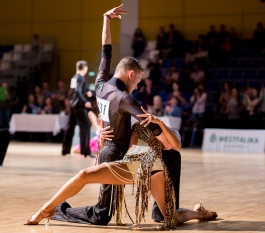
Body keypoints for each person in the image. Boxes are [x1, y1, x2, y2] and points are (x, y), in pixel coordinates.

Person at [50, 4, 179, 227]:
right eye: (137, 80)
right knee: (101, 215)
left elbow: (105, 50)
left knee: (172, 159)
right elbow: (150, 125)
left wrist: (106, 19)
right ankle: (59, 210)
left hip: (109, 148)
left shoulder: (100, 84)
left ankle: (166, 209)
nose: (137, 86)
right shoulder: (123, 98)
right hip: (115, 154)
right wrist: (170, 138)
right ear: (130, 74)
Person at [25, 109, 217, 230]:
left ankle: (200, 213)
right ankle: (44, 211)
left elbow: (175, 145)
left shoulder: (168, 133)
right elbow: (130, 149)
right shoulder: (136, 129)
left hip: (153, 170)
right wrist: (103, 139)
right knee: (83, 175)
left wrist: (160, 124)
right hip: (130, 166)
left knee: (171, 217)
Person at [62, 61, 93, 157]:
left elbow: (74, 91)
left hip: (72, 105)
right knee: (86, 125)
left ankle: (65, 150)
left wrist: (86, 92)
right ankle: (85, 151)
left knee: (69, 127)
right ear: (84, 68)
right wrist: (85, 101)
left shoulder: (74, 77)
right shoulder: (81, 78)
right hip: (79, 105)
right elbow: (78, 91)